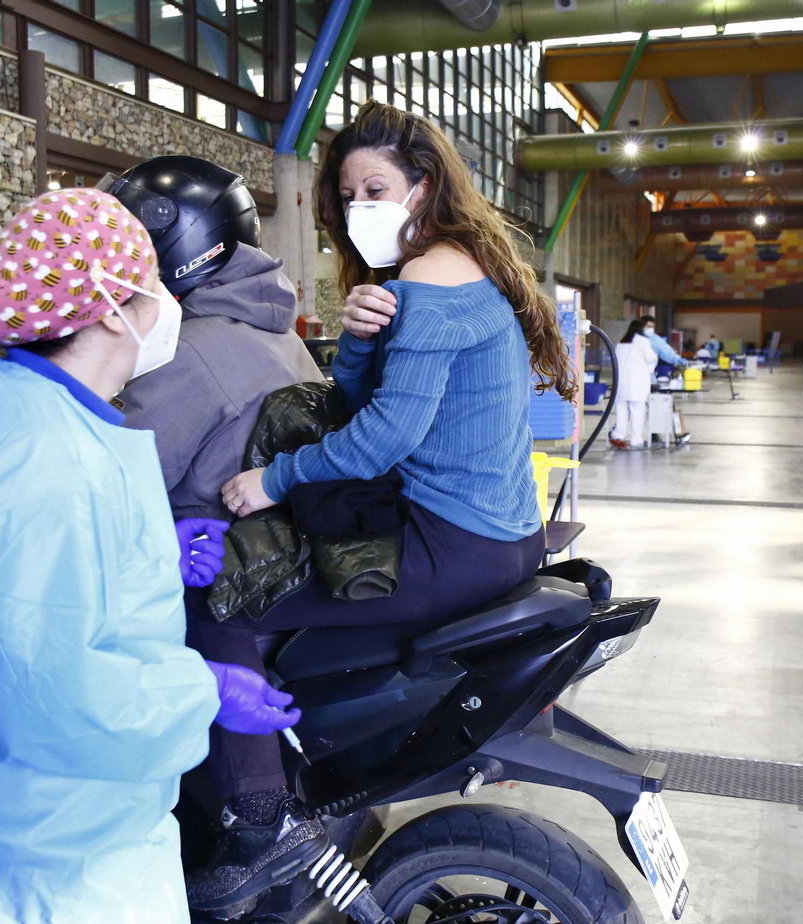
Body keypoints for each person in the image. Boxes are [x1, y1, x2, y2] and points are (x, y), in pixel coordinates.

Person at [0, 189, 299, 924]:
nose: (165, 306)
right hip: (29, 842)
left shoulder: (11, 404)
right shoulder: (41, 460)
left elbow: (23, 592)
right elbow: (50, 693)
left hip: (32, 814)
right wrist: (204, 690)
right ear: (113, 309)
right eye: (151, 288)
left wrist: (147, 551)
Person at [194, 101, 575, 909]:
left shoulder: (433, 276)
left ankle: (260, 823)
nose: (360, 205)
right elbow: (374, 401)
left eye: (377, 187)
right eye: (348, 193)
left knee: (216, 596)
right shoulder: (457, 267)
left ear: (423, 187)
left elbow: (380, 440)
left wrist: (273, 478)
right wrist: (363, 336)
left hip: (447, 542)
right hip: (504, 536)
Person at [106, 156, 324, 521]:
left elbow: (113, 484)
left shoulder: (189, 352)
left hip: (205, 561)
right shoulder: (277, 331)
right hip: (265, 555)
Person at [610, 318, 658, 450]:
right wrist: (655, 357)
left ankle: (618, 436)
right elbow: (650, 358)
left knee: (621, 412)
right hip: (637, 384)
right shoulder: (643, 341)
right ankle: (636, 440)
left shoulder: (621, 343)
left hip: (621, 383)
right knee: (637, 412)